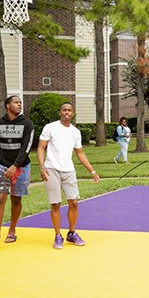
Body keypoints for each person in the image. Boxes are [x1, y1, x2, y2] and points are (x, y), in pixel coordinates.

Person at [37, 102, 100, 248]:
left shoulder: (75, 132)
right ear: (60, 112)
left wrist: (92, 170)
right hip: (51, 169)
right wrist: (42, 167)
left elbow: (80, 153)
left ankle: (71, 233)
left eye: (69, 110)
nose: (66, 112)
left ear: (73, 113)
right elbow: (41, 148)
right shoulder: (50, 127)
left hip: (69, 170)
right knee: (56, 204)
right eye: (64, 110)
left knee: (74, 202)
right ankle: (58, 236)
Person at [0, 95, 34, 249]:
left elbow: (27, 148)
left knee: (16, 199)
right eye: (16, 102)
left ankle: (12, 231)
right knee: (0, 198)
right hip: (1, 165)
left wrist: (15, 166)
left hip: (21, 167)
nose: (19, 105)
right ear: (7, 105)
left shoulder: (27, 124)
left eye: (20, 102)